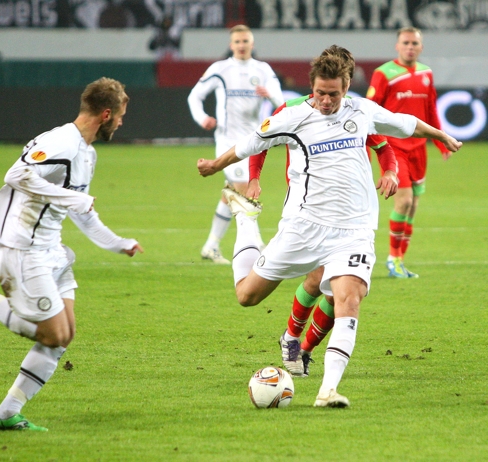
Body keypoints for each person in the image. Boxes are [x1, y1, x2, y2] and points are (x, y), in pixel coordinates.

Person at [197, 48, 462, 407]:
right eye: (320, 93)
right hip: (302, 227)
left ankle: (328, 390)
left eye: (333, 94)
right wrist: (215, 165)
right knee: (247, 296)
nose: (325, 100)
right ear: (312, 88)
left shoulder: (362, 111)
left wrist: (440, 135)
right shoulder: (292, 116)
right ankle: (245, 219)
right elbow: (249, 144)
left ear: (347, 87)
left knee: (349, 299)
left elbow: (404, 122)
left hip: (353, 230)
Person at [0, 77, 143, 431]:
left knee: (64, 336)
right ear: (105, 113)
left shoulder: (88, 152)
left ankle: (7, 413)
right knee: (52, 335)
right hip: (23, 248)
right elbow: (15, 174)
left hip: (52, 248)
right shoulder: (61, 141)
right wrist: (71, 198)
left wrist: (118, 243)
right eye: (120, 115)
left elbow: (82, 210)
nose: (121, 122)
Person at [246, 45, 398, 377]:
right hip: (305, 210)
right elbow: (260, 143)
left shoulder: (355, 112)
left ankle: (303, 348)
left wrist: (390, 172)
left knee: (337, 287)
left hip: (349, 214)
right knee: (316, 280)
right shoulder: (294, 109)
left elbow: (383, 146)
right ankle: (290, 336)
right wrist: (254, 179)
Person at [187, 24, 284, 265]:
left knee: (230, 191)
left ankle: (211, 246)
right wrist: (203, 118)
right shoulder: (221, 69)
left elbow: (281, 100)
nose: (241, 45)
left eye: (245, 41)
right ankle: (259, 244)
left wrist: (269, 95)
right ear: (231, 45)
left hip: (252, 140)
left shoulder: (262, 70)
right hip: (227, 139)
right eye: (237, 42)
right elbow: (194, 96)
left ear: (252, 44)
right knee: (243, 188)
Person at [367, 27, 451, 279]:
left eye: (415, 43)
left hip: (419, 149)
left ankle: (400, 260)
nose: (410, 47)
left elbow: (430, 108)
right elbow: (369, 111)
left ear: (421, 47)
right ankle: (393, 259)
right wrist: (372, 146)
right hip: (395, 148)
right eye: (406, 42)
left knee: (413, 206)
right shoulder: (384, 74)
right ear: (397, 46)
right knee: (403, 201)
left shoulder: (426, 73)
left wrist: (440, 140)